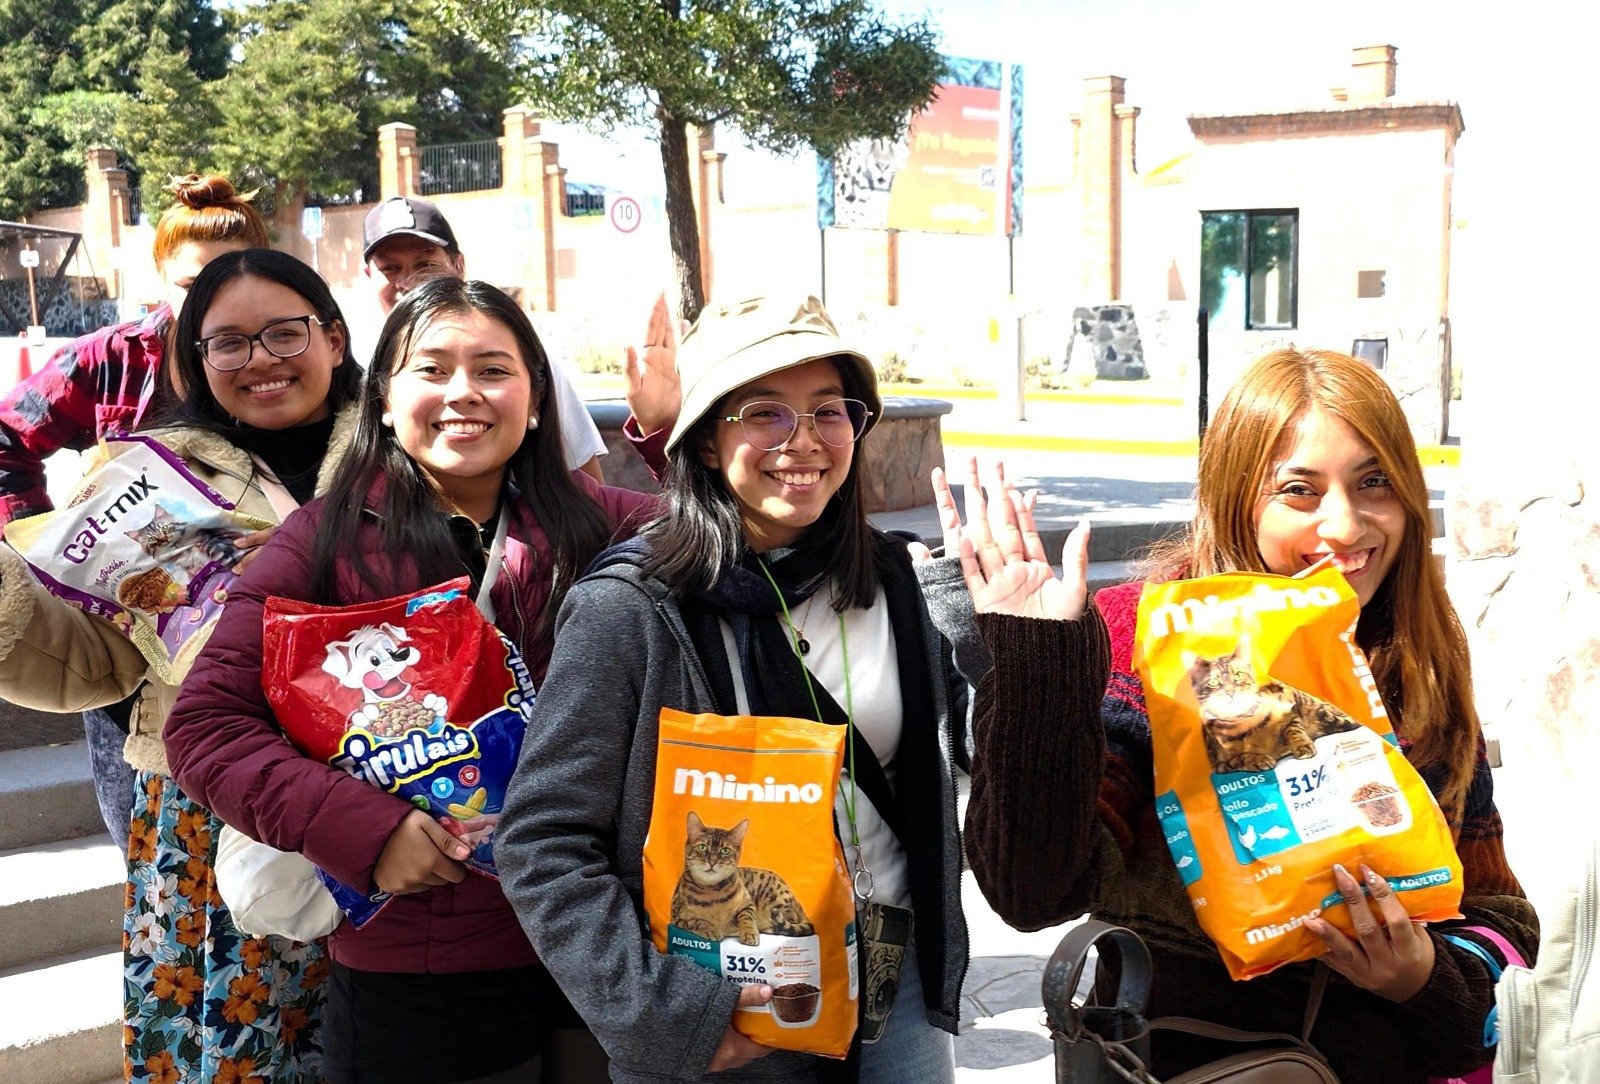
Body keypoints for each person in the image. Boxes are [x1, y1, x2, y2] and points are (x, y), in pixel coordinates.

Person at [952, 348, 1539, 1084]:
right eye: (1299, 490)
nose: (1346, 525)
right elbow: (1032, 892)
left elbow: (1500, 921)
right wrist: (1038, 665)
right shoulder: (1149, 643)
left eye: (1374, 482)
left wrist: (1421, 976)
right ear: (1238, 498)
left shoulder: (1416, 666)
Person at [165, 276, 658, 1084]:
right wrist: (364, 831)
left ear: (536, 399)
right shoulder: (318, 545)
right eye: (431, 370)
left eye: (493, 369)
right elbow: (206, 729)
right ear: (385, 401)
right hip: (424, 963)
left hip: (599, 937)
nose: (463, 392)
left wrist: (669, 431)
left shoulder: (610, 527)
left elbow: (738, 545)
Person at [495, 295, 973, 1082]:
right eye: (764, 413)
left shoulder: (899, 581)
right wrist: (666, 1015)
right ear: (710, 444)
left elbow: (980, 750)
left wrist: (1028, 641)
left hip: (897, 982)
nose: (804, 442)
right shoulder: (632, 608)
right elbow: (542, 842)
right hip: (722, 1000)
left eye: (828, 410)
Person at [0, 247, 362, 1080]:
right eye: (227, 342)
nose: (259, 361)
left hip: (401, 786)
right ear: (195, 360)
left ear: (334, 338)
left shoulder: (406, 449)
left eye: (284, 333)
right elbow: (93, 662)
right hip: (212, 807)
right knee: (232, 1049)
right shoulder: (140, 475)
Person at [0, 173, 269, 851]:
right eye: (190, 282)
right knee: (146, 840)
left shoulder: (280, 363)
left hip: (241, 643)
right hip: (122, 634)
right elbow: (7, 436)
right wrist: (42, 548)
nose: (208, 299)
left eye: (228, 278)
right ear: (160, 278)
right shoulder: (116, 359)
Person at [360, 194, 609, 483]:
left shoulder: (524, 359)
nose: (407, 282)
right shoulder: (355, 367)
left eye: (425, 264)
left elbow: (589, 490)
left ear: (458, 266)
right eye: (389, 268)